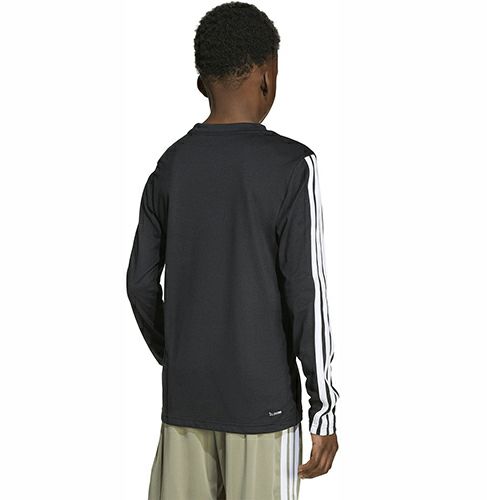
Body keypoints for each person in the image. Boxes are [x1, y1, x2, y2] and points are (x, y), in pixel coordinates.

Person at [126, 2, 339, 498]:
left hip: (186, 403)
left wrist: (178, 354)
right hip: (262, 407)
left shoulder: (170, 166)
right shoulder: (292, 166)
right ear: (266, 76)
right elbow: (306, 292)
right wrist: (324, 409)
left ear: (202, 82)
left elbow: (139, 283)